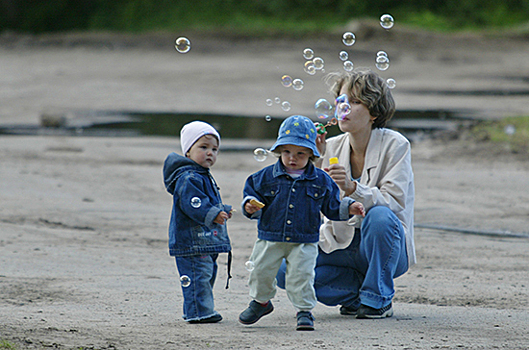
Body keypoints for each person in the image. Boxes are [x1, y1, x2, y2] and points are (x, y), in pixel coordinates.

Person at [277, 68, 416, 319]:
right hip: (339, 246)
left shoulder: (396, 145)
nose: (344, 108)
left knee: (381, 216)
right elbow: (305, 202)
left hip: (384, 246)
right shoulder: (330, 147)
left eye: (355, 102)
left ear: (374, 111)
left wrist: (354, 188)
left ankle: (378, 299)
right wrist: (314, 163)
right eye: (341, 101)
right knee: (282, 269)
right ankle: (356, 297)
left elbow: (394, 203)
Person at [238, 115, 365, 331]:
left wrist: (349, 207)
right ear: (279, 151)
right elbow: (250, 195)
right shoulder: (264, 177)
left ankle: (304, 311)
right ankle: (261, 302)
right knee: (260, 270)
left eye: (300, 153)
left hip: (304, 240)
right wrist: (249, 205)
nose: (292, 158)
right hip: (270, 237)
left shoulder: (321, 180)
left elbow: (332, 206)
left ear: (311, 154)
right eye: (287, 152)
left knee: (302, 276)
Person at [162, 121, 233, 323]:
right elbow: (193, 204)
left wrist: (222, 210)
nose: (210, 153)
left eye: (214, 149)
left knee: (206, 274)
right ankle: (198, 313)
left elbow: (206, 202)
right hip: (192, 241)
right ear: (188, 151)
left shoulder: (202, 175)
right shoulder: (189, 177)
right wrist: (212, 213)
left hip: (204, 239)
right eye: (203, 147)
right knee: (198, 276)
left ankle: (197, 309)